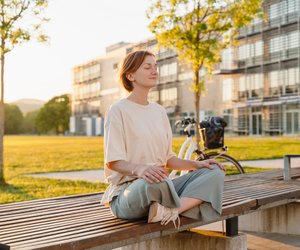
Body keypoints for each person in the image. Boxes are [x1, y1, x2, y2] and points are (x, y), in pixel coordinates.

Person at [100, 50, 225, 229]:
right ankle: (172, 207)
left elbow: (168, 159)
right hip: (129, 193)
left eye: (155, 66)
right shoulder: (118, 110)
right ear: (130, 75)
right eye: (147, 67)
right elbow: (113, 162)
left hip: (162, 186)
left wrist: (197, 165)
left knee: (214, 172)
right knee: (155, 181)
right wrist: (140, 169)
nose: (154, 71)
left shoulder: (159, 112)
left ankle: (171, 211)